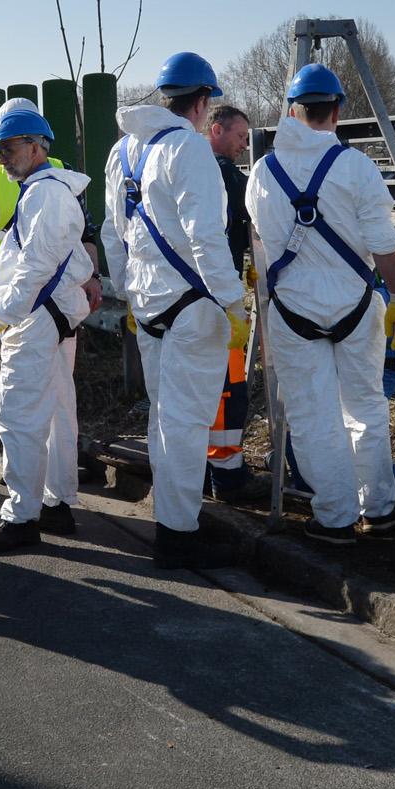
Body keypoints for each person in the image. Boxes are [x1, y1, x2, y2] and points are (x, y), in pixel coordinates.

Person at [246, 65, 395, 545]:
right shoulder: (356, 166)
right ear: (336, 110)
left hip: (293, 311)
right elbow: (385, 244)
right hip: (355, 305)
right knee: (366, 406)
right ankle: (379, 508)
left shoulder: (263, 172)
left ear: (292, 111)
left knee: (313, 415)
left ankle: (335, 517)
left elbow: (261, 241)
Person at [103, 51, 246, 570]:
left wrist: (128, 291)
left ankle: (172, 521)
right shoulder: (189, 149)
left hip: (149, 305)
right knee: (186, 423)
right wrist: (233, 303)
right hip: (193, 306)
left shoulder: (123, 151)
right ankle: (179, 536)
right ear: (203, 101)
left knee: (164, 416)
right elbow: (206, 238)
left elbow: (112, 232)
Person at [0, 112, 94, 552]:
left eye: (8, 149)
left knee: (18, 415)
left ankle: (21, 517)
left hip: (33, 320)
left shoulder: (45, 195)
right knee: (56, 412)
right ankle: (55, 504)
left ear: (36, 148)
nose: (2, 158)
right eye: (0, 151)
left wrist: (0, 317)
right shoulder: (47, 192)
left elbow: (35, 267)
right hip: (47, 318)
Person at [203, 102, 260, 501]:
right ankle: (226, 477)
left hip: (186, 298)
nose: (244, 145)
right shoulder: (224, 174)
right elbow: (256, 210)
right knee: (228, 387)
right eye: (240, 137)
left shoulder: (180, 167)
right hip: (221, 301)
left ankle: (202, 473)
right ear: (216, 130)